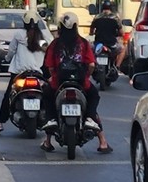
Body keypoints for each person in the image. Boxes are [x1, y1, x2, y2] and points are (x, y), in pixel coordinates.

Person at [41, 12, 113, 154]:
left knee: (47, 95)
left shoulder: (55, 44)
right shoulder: (83, 43)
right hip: (81, 83)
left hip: (58, 83)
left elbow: (49, 66)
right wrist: (86, 76)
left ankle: (48, 137)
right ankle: (102, 140)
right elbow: (91, 64)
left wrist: (53, 76)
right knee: (93, 96)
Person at [0, 18, 48, 134]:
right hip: (37, 72)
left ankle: (0, 123)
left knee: (8, 96)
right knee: (48, 94)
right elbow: (47, 51)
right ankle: (52, 121)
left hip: (19, 72)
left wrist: (7, 58)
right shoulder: (42, 36)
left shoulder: (18, 34)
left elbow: (11, 50)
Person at [91, 2, 125, 76]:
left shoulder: (97, 17)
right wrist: (119, 34)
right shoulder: (115, 18)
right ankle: (117, 67)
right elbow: (121, 32)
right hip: (111, 44)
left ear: (102, 8)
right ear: (111, 8)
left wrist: (92, 33)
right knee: (122, 49)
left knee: (89, 49)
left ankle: (91, 65)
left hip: (98, 44)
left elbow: (91, 30)